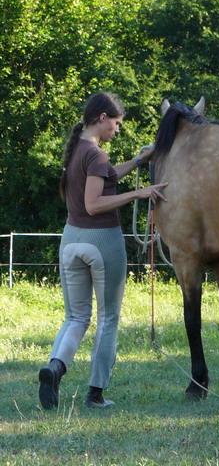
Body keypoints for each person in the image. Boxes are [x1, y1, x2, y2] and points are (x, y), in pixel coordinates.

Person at [38, 92, 167, 409]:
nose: (117, 129)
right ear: (102, 118)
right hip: (101, 241)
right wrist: (139, 193)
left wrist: (138, 161)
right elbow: (94, 204)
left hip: (71, 240)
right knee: (108, 318)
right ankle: (95, 394)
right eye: (116, 123)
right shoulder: (95, 154)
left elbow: (106, 176)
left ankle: (55, 368)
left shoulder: (77, 150)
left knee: (75, 317)